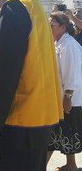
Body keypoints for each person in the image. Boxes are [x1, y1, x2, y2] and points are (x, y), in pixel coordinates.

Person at [0, 0, 63, 171]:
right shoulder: (35, 7)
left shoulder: (14, 9)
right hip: (39, 122)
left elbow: (5, 75)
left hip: (17, 123)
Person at [47, 12, 82, 171]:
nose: (49, 27)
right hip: (59, 98)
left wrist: (68, 96)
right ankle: (70, 164)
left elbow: (72, 73)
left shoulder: (69, 45)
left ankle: (69, 165)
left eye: (52, 25)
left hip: (70, 99)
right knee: (60, 133)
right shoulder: (59, 43)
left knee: (67, 132)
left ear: (63, 26)